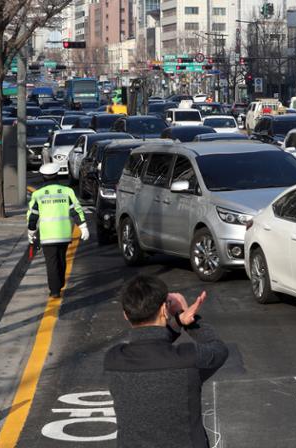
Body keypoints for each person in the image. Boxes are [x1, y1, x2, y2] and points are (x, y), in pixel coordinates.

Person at [104, 275, 228, 448]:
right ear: (164, 309)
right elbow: (219, 350)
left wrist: (177, 322)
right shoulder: (188, 359)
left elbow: (150, 348)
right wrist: (186, 319)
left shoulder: (113, 360)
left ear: (126, 315)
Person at [26, 163, 89, 298]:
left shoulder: (38, 194)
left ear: (43, 177)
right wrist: (82, 226)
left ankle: (55, 290)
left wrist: (31, 232)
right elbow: (76, 210)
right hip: (64, 234)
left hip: (47, 235)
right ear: (56, 175)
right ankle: (59, 283)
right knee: (61, 259)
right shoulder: (67, 192)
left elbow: (33, 215)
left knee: (51, 262)